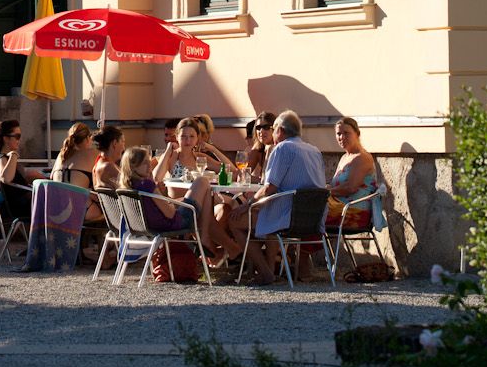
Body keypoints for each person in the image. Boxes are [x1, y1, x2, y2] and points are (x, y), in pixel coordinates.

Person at [239, 109, 326, 284]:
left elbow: (269, 188)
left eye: (273, 129)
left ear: (279, 130)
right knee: (269, 215)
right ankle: (271, 269)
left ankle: (265, 272)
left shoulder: (282, 148)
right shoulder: (314, 150)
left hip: (287, 217)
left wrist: (247, 204)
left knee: (234, 221)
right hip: (312, 218)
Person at [153, 131, 240, 261]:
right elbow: (156, 178)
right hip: (177, 206)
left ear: (197, 139)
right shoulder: (171, 156)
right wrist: (167, 150)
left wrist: (212, 148)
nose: (187, 140)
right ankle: (227, 249)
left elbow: (232, 171)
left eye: (191, 136)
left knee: (223, 208)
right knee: (203, 203)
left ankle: (214, 251)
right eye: (183, 136)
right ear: (177, 137)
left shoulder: (200, 158)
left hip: (197, 206)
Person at [326, 116, 378, 231]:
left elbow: (351, 188)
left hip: (354, 212)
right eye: (339, 134)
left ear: (357, 134)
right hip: (339, 208)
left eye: (346, 133)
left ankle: (306, 242)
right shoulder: (344, 157)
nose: (342, 137)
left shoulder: (362, 157)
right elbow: (335, 186)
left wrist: (326, 192)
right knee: (308, 209)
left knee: (312, 213)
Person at [51, 123, 102, 222]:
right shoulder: (92, 154)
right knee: (111, 212)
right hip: (81, 211)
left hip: (56, 210)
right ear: (87, 138)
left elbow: (51, 178)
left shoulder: (61, 155)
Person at [0, 119, 45, 188]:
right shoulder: (1, 158)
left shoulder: (2, 157)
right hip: (23, 194)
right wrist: (13, 154)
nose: (19, 140)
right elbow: (5, 178)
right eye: (17, 137)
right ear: (6, 139)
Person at [92, 125, 124, 190]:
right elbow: (129, 186)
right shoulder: (108, 167)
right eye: (123, 142)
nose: (123, 148)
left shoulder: (98, 165)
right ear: (114, 143)